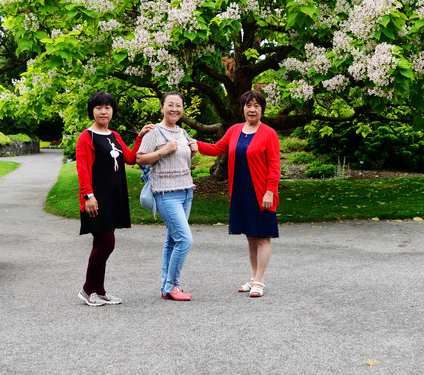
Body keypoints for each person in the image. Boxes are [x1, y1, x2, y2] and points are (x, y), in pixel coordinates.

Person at [191, 90, 280, 298]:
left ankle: (259, 281)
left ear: (262, 109)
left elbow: (275, 167)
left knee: (263, 237)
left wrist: (270, 192)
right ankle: (254, 277)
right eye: (248, 105)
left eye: (256, 106)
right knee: (251, 237)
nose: (252, 109)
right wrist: (197, 145)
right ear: (243, 108)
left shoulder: (269, 133)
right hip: (241, 192)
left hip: (261, 193)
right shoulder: (235, 130)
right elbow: (216, 148)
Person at [76, 91, 154, 306]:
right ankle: (86, 289)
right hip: (96, 198)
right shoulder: (86, 136)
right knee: (106, 244)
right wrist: (88, 196)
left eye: (108, 107)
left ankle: (99, 291)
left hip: (114, 197)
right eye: (99, 107)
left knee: (101, 244)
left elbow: (129, 158)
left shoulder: (114, 135)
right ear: (92, 111)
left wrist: (140, 137)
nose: (103, 111)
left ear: (112, 111)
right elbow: (82, 169)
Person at [136, 91, 196, 301]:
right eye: (170, 105)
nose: (174, 109)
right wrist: (164, 151)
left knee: (172, 240)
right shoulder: (154, 132)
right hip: (166, 194)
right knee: (185, 239)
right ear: (162, 107)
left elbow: (183, 161)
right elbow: (140, 159)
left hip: (186, 192)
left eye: (178, 105)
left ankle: (167, 287)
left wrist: (193, 151)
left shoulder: (183, 133)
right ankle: (172, 286)